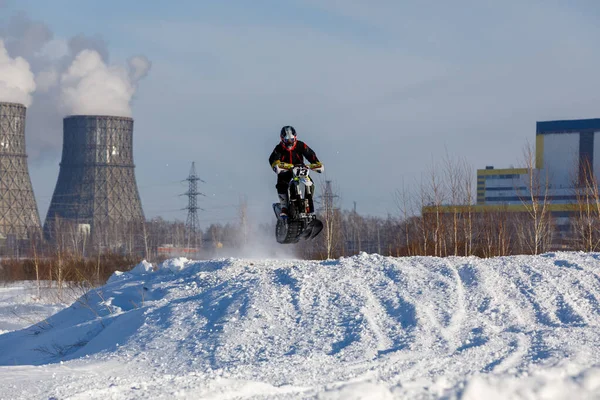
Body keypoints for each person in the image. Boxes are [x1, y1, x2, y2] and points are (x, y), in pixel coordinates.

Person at [269, 125, 324, 218]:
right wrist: (276, 165)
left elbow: (310, 154)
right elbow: (273, 159)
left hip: (300, 169)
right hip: (286, 171)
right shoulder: (279, 148)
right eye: (287, 140)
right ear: (282, 139)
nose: (289, 142)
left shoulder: (301, 145)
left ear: (295, 137)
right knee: (281, 183)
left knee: (310, 183)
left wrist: (316, 163)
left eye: (291, 139)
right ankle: (284, 207)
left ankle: (307, 203)